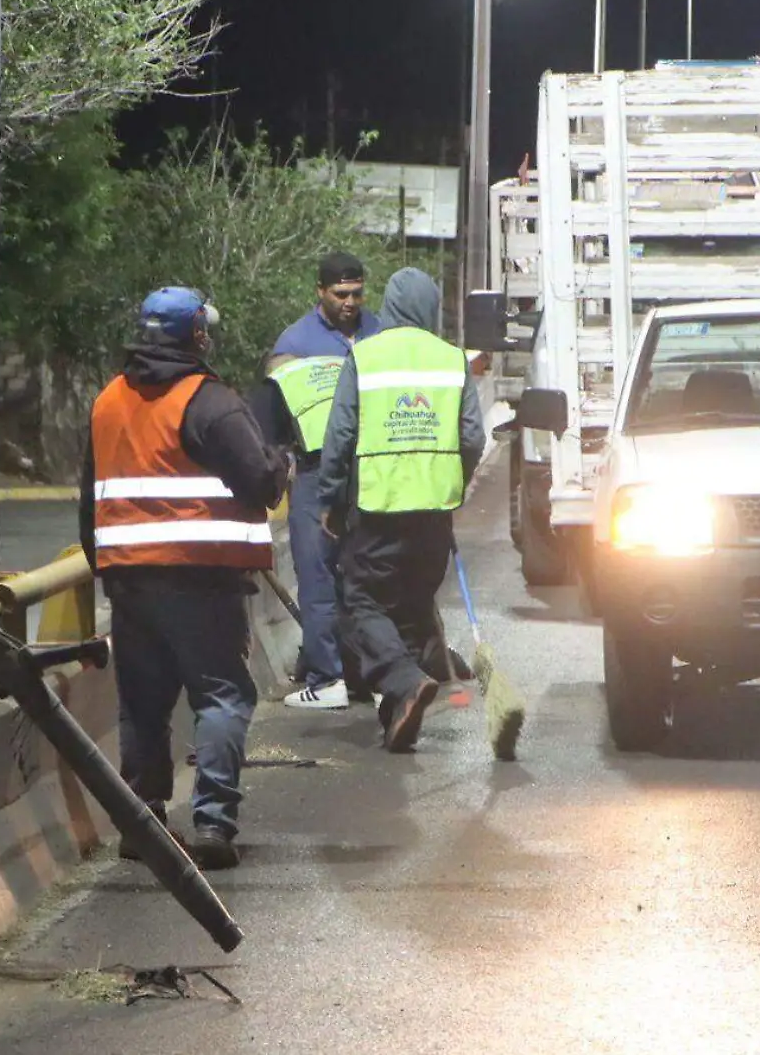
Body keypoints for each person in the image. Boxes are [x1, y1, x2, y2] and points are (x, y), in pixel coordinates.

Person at [79, 286, 293, 870]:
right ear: (197, 335)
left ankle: (141, 821)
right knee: (222, 696)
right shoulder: (209, 402)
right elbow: (260, 482)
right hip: (202, 581)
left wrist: (107, 569)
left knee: (143, 706)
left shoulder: (108, 402)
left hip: (128, 582)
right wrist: (281, 461)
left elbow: (88, 504)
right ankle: (212, 826)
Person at [315, 267, 486, 753]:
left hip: (376, 510)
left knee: (362, 605)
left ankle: (403, 681)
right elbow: (472, 437)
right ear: (432, 307)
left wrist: (330, 499)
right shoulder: (452, 360)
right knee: (411, 610)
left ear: (389, 306)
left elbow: (341, 435)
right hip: (433, 514)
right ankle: (398, 715)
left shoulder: (365, 357)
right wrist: (452, 481)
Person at [252, 252, 383, 711]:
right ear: (320, 292)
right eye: (340, 294)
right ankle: (328, 678)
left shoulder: (378, 333)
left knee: (367, 578)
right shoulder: (296, 342)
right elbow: (271, 417)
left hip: (370, 475)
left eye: (357, 294)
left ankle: (374, 673)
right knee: (318, 577)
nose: (350, 303)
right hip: (313, 473)